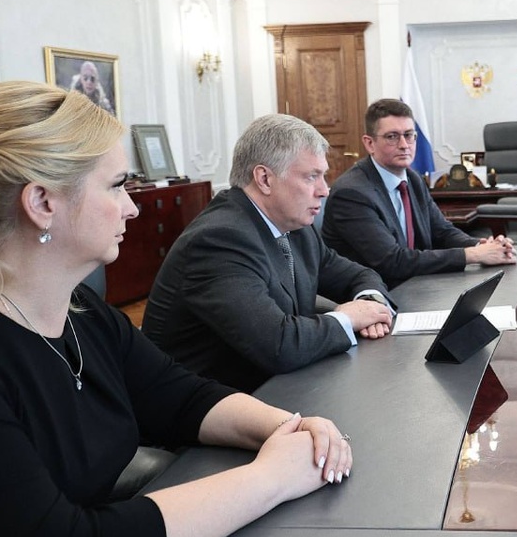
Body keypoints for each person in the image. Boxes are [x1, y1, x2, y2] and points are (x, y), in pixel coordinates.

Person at [0, 82, 352, 537]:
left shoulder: (86, 315)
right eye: (116, 186)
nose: (132, 208)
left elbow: (181, 397)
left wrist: (292, 428)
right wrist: (270, 478)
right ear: (42, 202)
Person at [142, 113, 395, 393]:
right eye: (312, 176)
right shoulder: (219, 240)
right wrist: (349, 319)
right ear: (264, 179)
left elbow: (357, 275)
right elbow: (279, 346)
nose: (324, 190)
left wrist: (370, 303)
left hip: (276, 386)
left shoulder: (295, 227)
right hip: (208, 403)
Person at [322, 98, 516, 288]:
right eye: (392, 136)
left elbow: (442, 232)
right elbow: (393, 261)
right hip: (379, 294)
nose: (404, 145)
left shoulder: (412, 179)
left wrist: (483, 246)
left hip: (416, 284)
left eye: (409, 135)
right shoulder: (352, 193)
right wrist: (473, 255)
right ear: (369, 143)